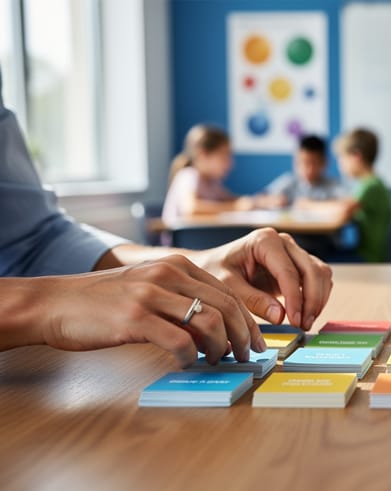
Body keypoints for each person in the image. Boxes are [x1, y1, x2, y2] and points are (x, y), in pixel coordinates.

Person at [0, 69, 332, 368]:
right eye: (226, 155)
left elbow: (36, 237)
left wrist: (197, 265)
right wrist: (47, 302)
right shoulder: (190, 178)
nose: (230, 162)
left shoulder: (212, 183)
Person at [315, 128, 391, 263]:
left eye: (341, 158)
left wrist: (308, 205)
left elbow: (343, 209)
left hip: (368, 258)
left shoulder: (370, 186)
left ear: (356, 156)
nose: (340, 164)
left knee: (317, 255)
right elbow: (346, 204)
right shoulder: (372, 183)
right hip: (368, 254)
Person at [162, 124, 253, 222]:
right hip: (185, 237)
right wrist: (235, 207)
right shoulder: (189, 176)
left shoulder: (211, 182)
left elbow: (230, 199)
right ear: (203, 154)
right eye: (224, 155)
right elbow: (191, 209)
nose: (230, 163)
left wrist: (255, 202)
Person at [260, 134, 344, 207]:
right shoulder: (288, 181)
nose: (307, 169)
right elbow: (252, 201)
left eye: (313, 163)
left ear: (324, 162)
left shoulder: (333, 185)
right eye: (301, 162)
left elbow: (344, 206)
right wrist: (269, 201)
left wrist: (308, 205)